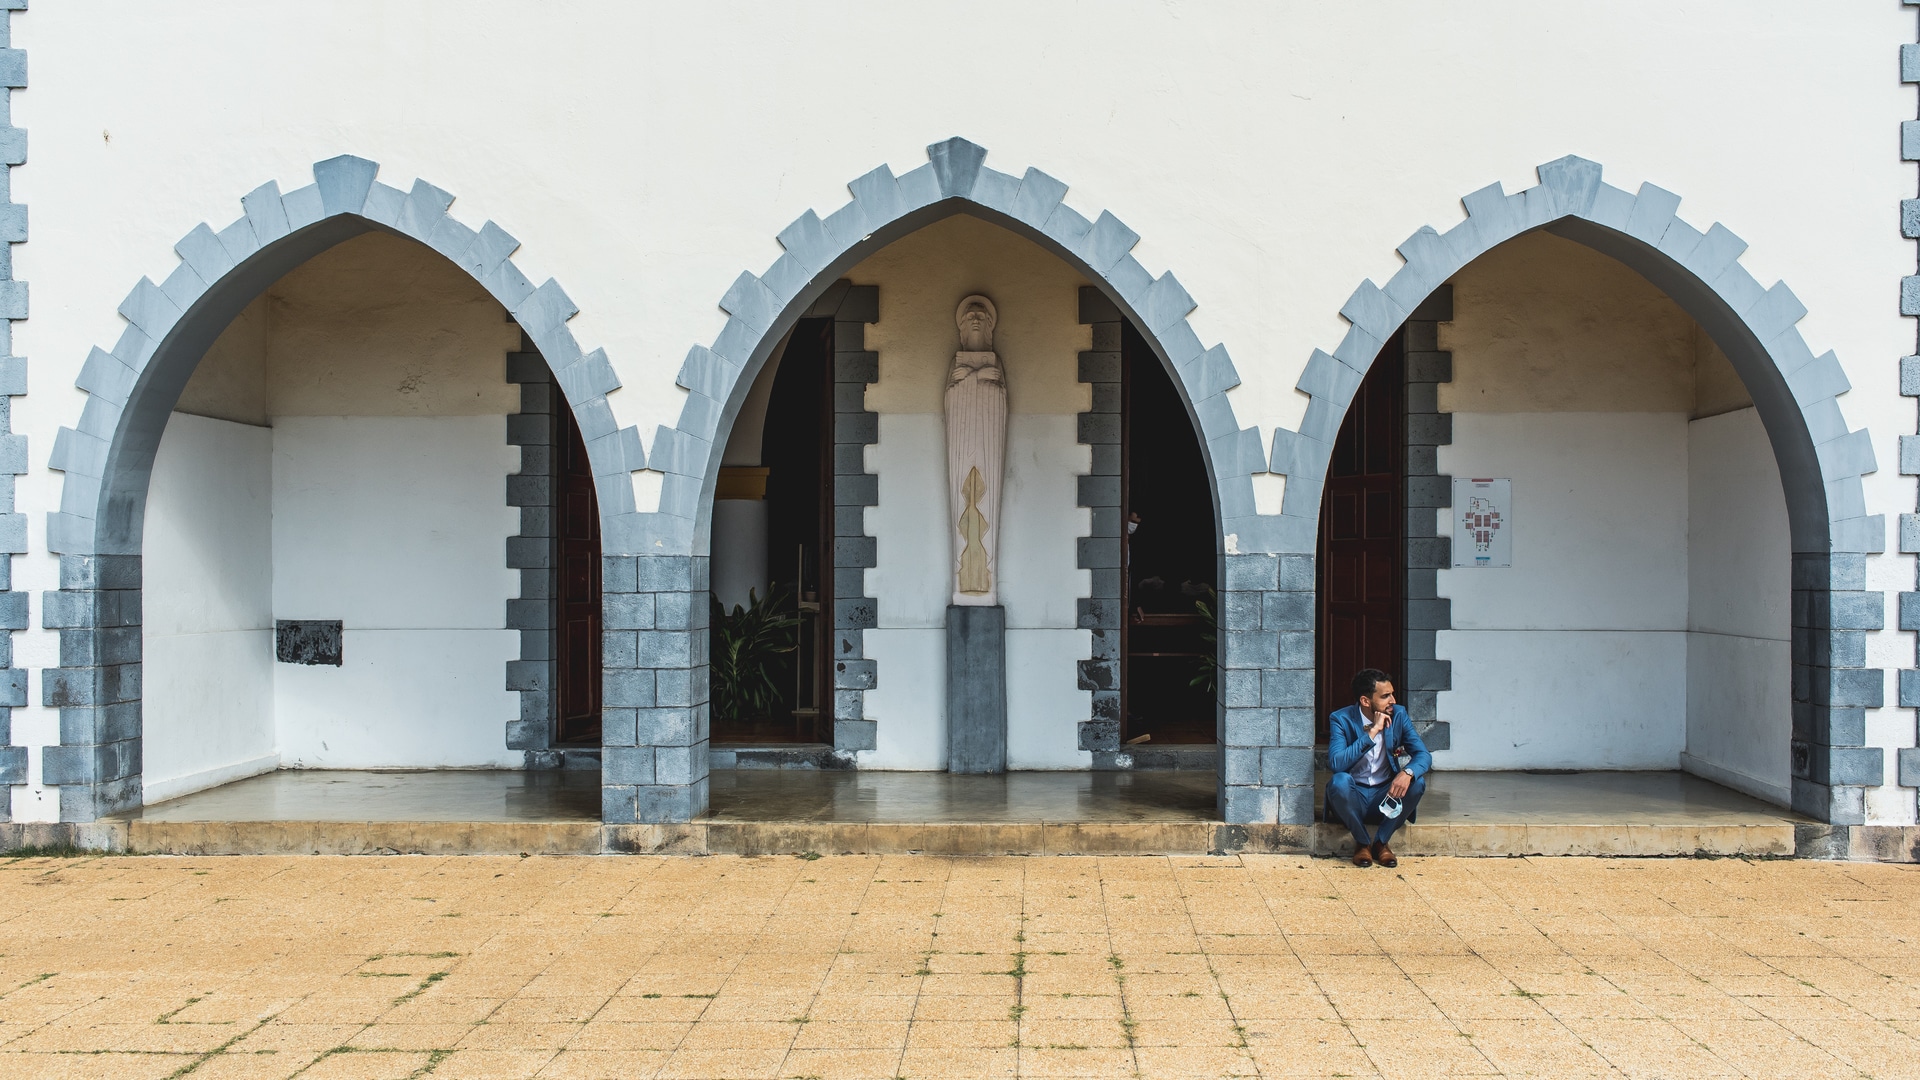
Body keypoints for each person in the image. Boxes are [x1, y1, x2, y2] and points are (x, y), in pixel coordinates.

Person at [1325, 668, 1431, 868]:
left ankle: (1381, 842)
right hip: (1353, 797)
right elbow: (1337, 763)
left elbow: (1423, 755)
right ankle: (1363, 843)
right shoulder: (1341, 719)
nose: (1393, 700)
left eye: (1392, 693)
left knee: (1417, 782)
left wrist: (1407, 773)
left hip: (1386, 796)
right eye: (1385, 696)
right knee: (1339, 782)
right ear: (1365, 701)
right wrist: (1372, 733)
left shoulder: (1399, 714)